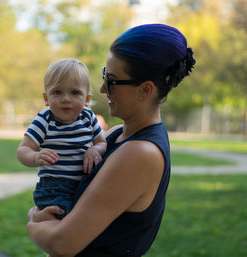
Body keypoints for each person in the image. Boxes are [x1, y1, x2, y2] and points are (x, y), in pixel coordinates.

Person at [27, 24, 195, 257]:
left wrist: (32, 221)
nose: (103, 88)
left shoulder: (140, 153)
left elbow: (62, 243)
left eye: (113, 80)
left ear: (145, 90)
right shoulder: (114, 136)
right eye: (106, 74)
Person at [17, 58, 107, 218]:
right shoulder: (45, 120)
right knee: (65, 218)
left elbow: (102, 142)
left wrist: (95, 149)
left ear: (87, 99)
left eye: (74, 92)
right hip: (54, 187)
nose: (66, 98)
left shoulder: (89, 118)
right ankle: (40, 217)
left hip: (85, 183)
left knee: (89, 217)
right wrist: (36, 156)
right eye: (57, 92)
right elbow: (23, 150)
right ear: (46, 98)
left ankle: (39, 217)